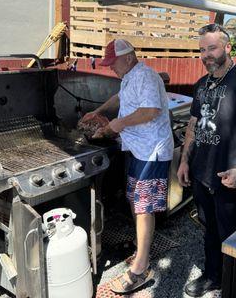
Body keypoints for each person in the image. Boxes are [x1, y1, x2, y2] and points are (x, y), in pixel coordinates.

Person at [177, 24, 236, 297]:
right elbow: (193, 125)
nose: (206, 55)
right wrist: (184, 161)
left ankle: (235, 285)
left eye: (212, 48)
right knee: (209, 229)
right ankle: (214, 276)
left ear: (227, 47)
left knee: (230, 231)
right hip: (201, 172)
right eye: (202, 50)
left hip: (228, 174)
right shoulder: (201, 85)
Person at [79, 39, 174, 294]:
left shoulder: (146, 76)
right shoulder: (130, 77)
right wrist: (97, 111)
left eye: (114, 63)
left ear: (129, 58)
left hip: (152, 150)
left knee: (143, 207)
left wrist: (116, 125)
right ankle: (141, 249)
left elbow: (151, 110)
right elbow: (118, 98)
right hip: (137, 149)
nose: (111, 68)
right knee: (135, 200)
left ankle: (141, 268)